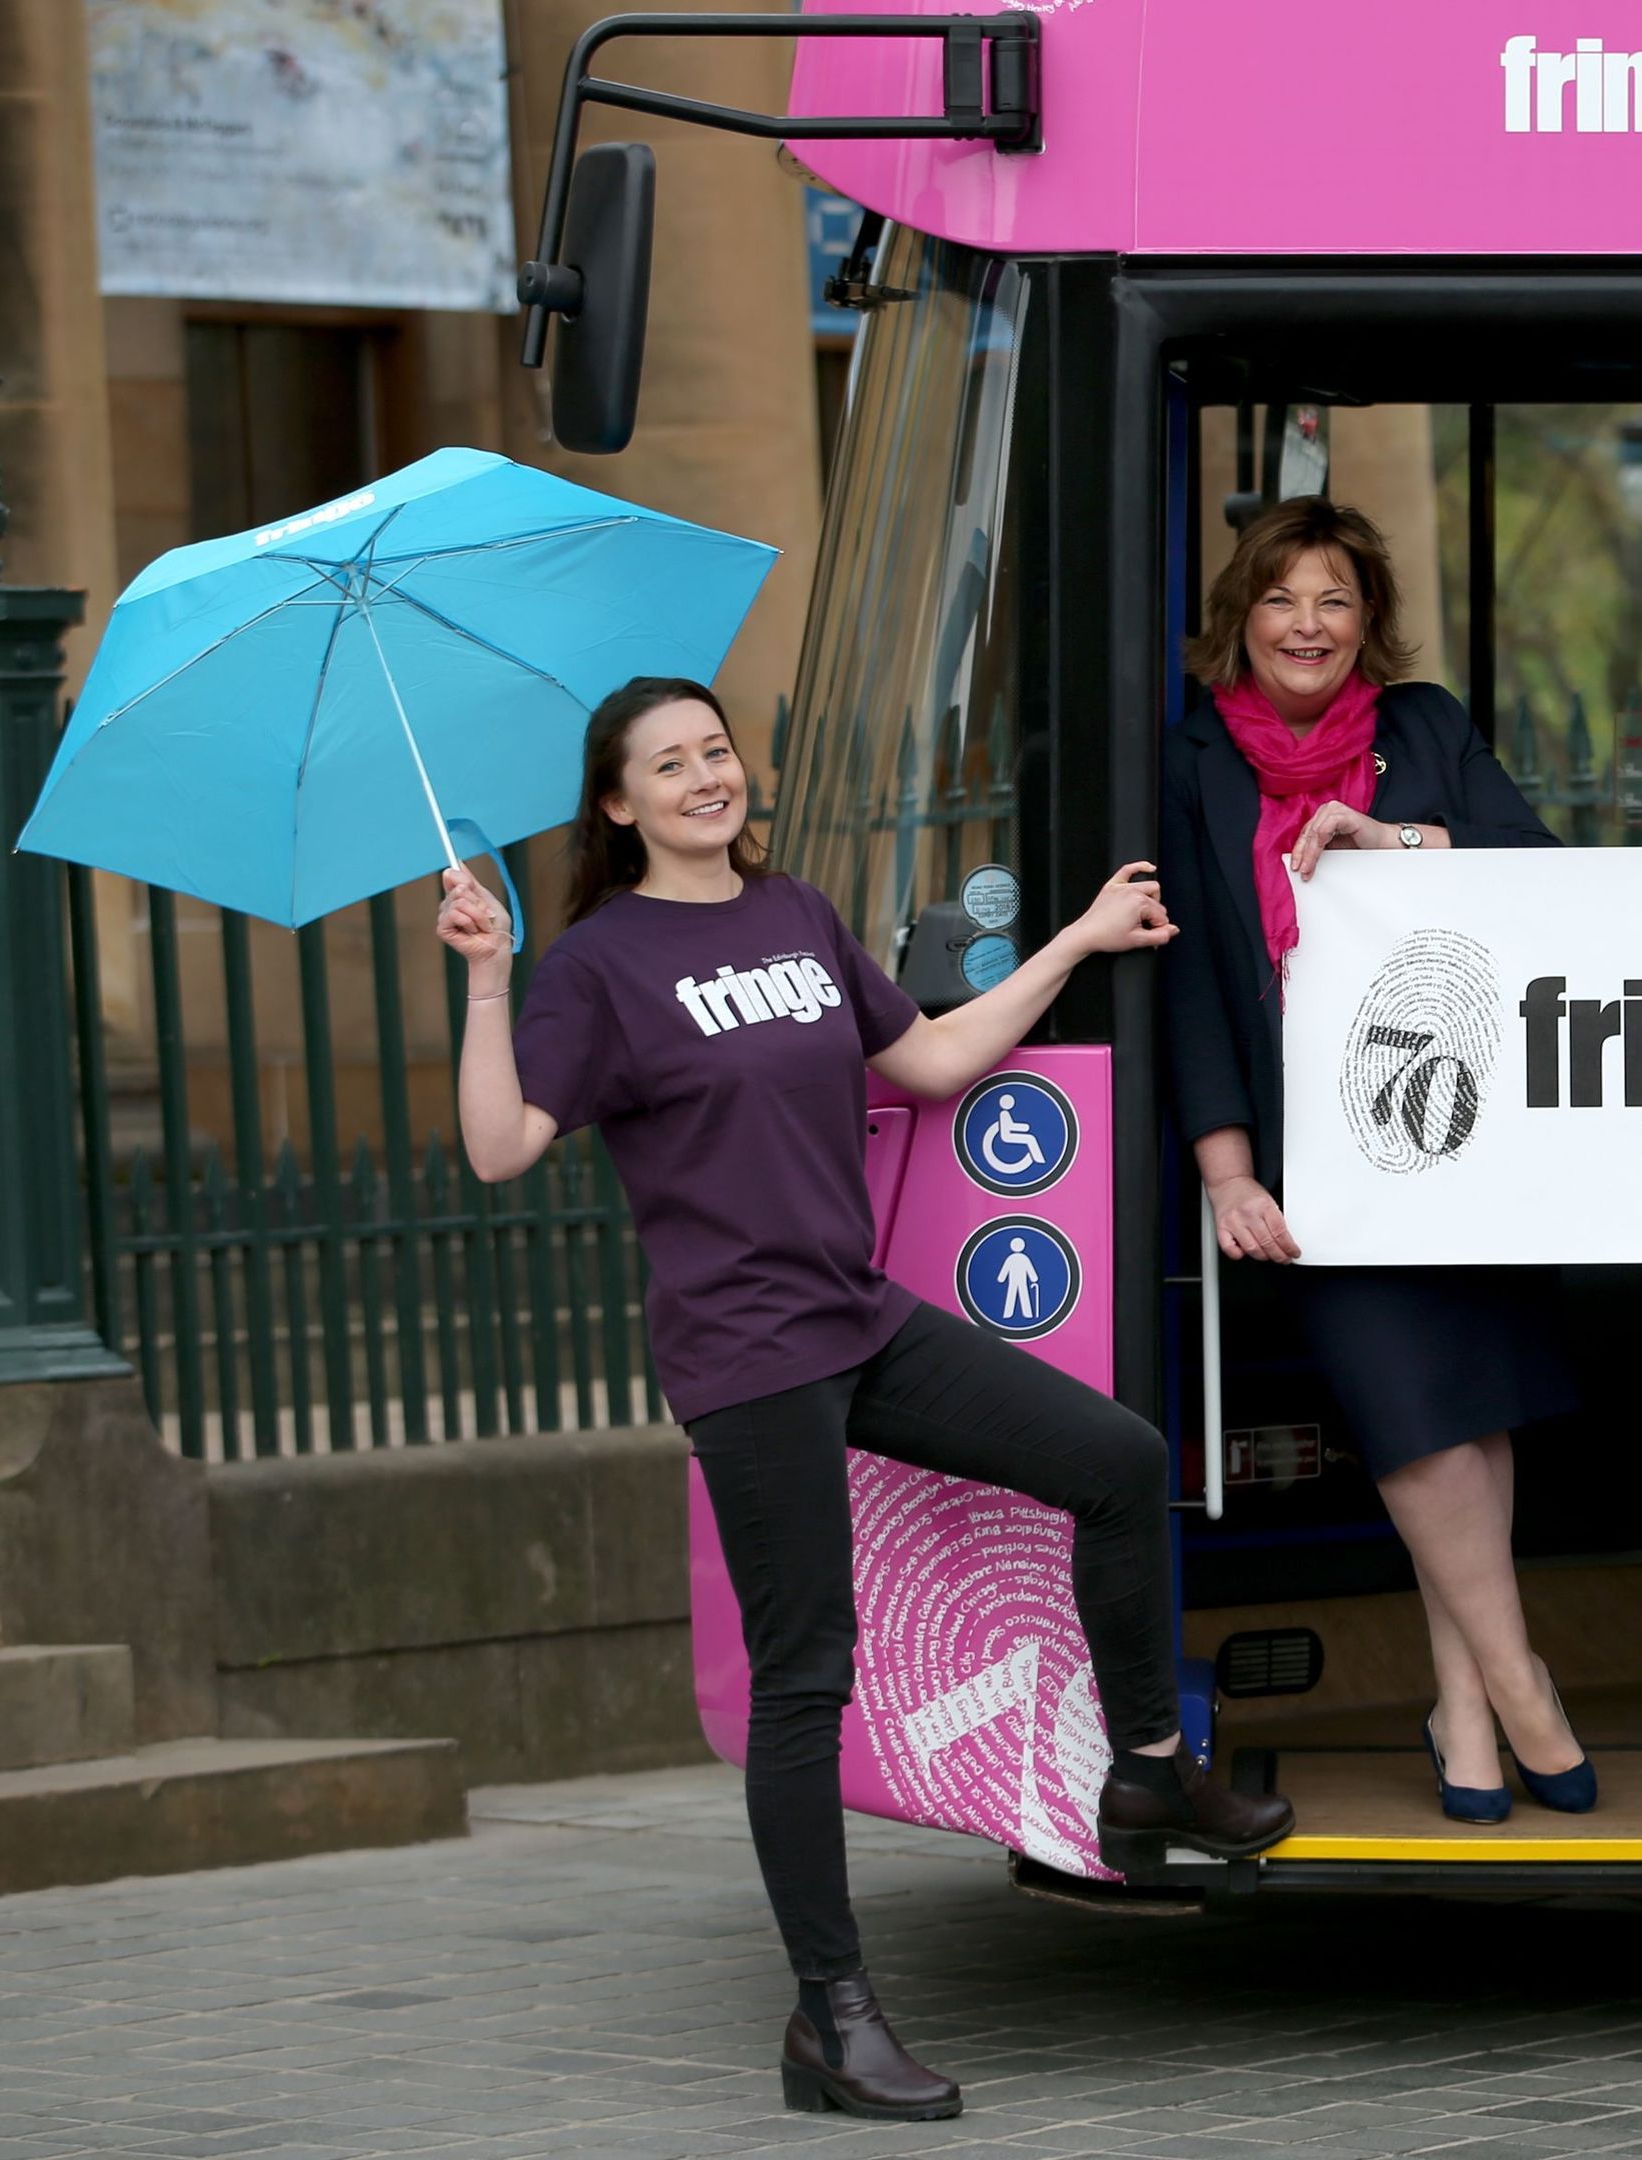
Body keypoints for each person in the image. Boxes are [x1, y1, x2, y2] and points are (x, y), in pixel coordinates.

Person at [440, 676, 1291, 2125]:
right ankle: (832, 2015)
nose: (707, 776)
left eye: (716, 750)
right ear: (616, 804)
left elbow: (936, 1058)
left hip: (857, 1314)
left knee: (1113, 1456)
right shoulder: (598, 965)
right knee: (804, 1680)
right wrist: (483, 975)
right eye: (669, 764)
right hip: (745, 1352)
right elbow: (501, 1146)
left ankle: (1148, 1770)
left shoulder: (798, 914)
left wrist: (1078, 938)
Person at [1159, 497, 1592, 1824]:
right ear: (1245, 615)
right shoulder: (1188, 761)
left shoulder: (1423, 730)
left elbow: (1533, 871)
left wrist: (1388, 840)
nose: (1307, 624)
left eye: (1334, 600)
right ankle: (1522, 1684)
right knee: (1412, 1422)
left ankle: (1462, 1709)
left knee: (1473, 1403)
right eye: (1282, 599)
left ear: (1368, 623)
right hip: (1315, 1158)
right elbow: (1187, 986)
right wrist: (1229, 1173)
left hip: (1461, 1123)